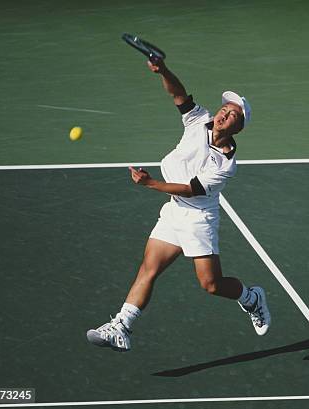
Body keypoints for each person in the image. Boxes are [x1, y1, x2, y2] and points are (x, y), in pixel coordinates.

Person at [86, 58, 271, 352]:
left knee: (211, 285)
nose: (224, 113)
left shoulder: (226, 163)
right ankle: (121, 327)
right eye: (224, 108)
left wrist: (150, 184)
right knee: (149, 268)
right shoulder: (199, 119)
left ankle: (251, 298)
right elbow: (179, 95)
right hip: (175, 210)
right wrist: (164, 71)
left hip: (198, 217)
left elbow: (190, 189)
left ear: (239, 127)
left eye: (233, 114)